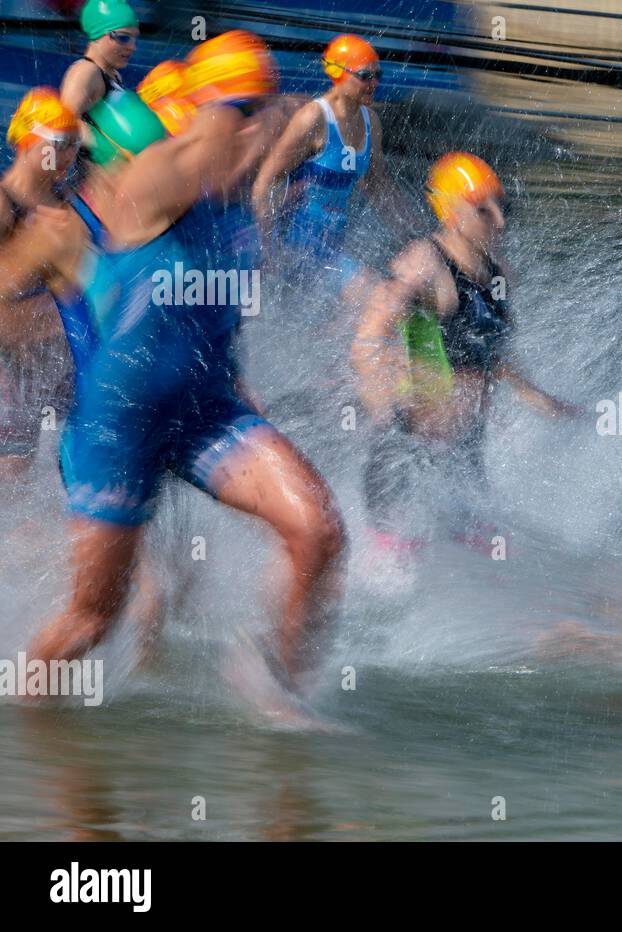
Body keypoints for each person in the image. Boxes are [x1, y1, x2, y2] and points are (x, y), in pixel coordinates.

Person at [18, 31, 345, 698]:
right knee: (94, 618)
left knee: (319, 533)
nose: (256, 131)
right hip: (119, 425)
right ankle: (26, 723)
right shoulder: (155, 177)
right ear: (203, 113)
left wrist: (240, 381)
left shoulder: (241, 189)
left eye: (260, 116)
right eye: (241, 115)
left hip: (205, 410)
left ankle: (283, 697)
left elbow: (218, 306)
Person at [351, 152, 577, 564]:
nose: (500, 222)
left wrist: (539, 399)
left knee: (489, 558)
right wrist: (383, 400)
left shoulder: (498, 274)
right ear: (452, 213)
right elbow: (369, 336)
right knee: (401, 570)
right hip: (406, 456)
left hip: (465, 451)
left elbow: (493, 352)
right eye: (483, 210)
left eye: (502, 207)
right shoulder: (425, 263)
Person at [251, 33, 393, 302]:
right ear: (338, 73)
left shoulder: (370, 121)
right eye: (365, 76)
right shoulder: (313, 119)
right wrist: (267, 249)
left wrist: (416, 233)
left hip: (333, 248)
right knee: (378, 297)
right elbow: (264, 183)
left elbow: (379, 186)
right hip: (297, 247)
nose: (374, 83)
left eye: (378, 75)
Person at [0, 89, 81, 485]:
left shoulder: (63, 201)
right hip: (10, 361)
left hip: (52, 355)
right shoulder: (4, 204)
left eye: (75, 145)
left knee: (95, 433)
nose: (68, 155)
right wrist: (51, 319)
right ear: (31, 142)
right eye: (61, 144)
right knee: (14, 467)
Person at [60, 0, 138, 118]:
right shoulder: (85, 72)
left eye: (134, 38)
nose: (132, 47)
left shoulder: (113, 75)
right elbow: (63, 127)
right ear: (98, 35)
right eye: (123, 38)